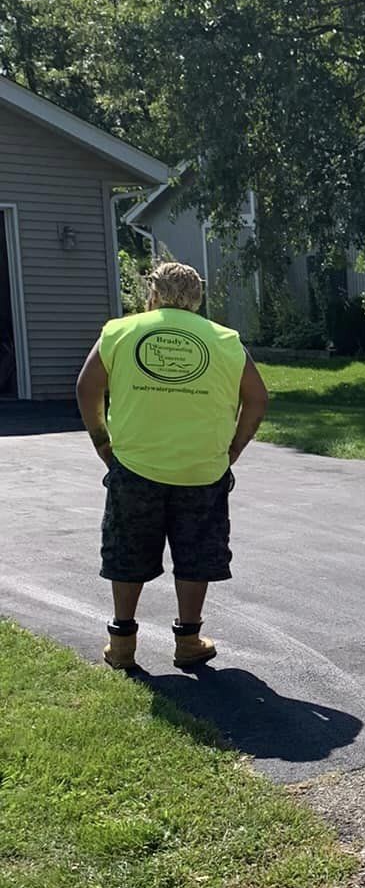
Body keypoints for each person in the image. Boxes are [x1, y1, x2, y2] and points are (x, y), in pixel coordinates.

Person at [75, 260, 269, 672]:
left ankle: (122, 644)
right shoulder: (224, 339)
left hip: (135, 464)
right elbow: (257, 398)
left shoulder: (121, 331)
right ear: (198, 298)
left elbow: (86, 387)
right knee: (196, 552)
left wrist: (102, 441)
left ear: (154, 293)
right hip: (203, 468)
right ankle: (188, 641)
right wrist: (233, 448)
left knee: (128, 550)